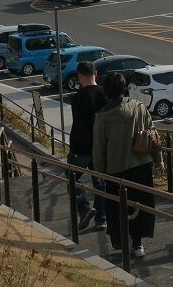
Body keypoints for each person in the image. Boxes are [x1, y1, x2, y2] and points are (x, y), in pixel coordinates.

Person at [92, 73, 161, 258]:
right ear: (125, 89)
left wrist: (99, 170)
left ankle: (120, 239)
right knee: (140, 205)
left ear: (106, 92)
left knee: (117, 206)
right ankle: (137, 243)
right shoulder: (138, 107)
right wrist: (158, 158)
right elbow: (152, 133)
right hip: (141, 165)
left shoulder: (102, 116)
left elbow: (99, 146)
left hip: (115, 169)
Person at [68, 60, 107, 231]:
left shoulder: (77, 98)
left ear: (80, 76)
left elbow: (79, 125)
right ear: (95, 73)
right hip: (101, 146)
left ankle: (84, 208)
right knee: (101, 183)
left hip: (81, 147)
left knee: (71, 179)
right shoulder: (105, 94)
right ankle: (101, 219)